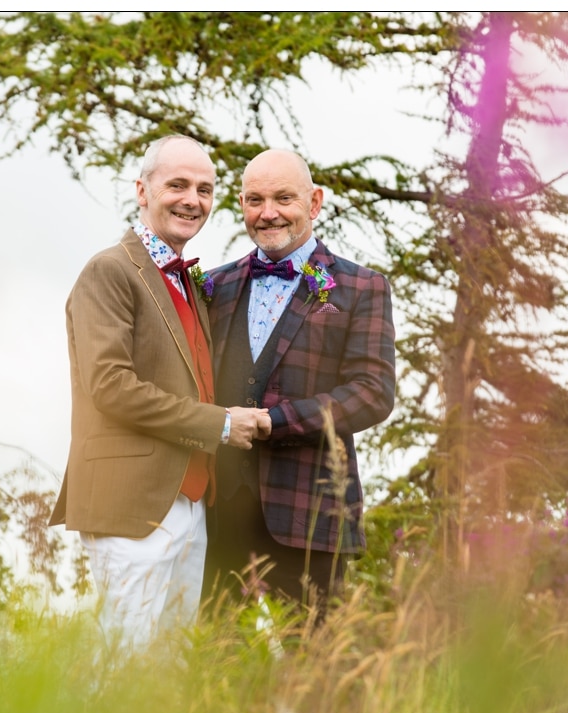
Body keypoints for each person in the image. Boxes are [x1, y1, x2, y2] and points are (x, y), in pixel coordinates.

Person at [51, 134, 270, 651]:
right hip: (133, 500)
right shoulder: (109, 270)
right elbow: (110, 385)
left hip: (192, 505)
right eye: (177, 185)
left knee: (169, 674)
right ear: (142, 191)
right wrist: (219, 424)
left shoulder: (189, 283)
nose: (192, 199)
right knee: (126, 667)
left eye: (204, 189)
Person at [203, 148, 396, 613]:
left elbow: (373, 393)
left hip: (312, 516)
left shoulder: (361, 287)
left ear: (314, 203)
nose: (267, 213)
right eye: (254, 200)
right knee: (216, 668)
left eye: (283, 198)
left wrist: (275, 422)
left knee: (314, 673)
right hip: (215, 518)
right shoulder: (213, 286)